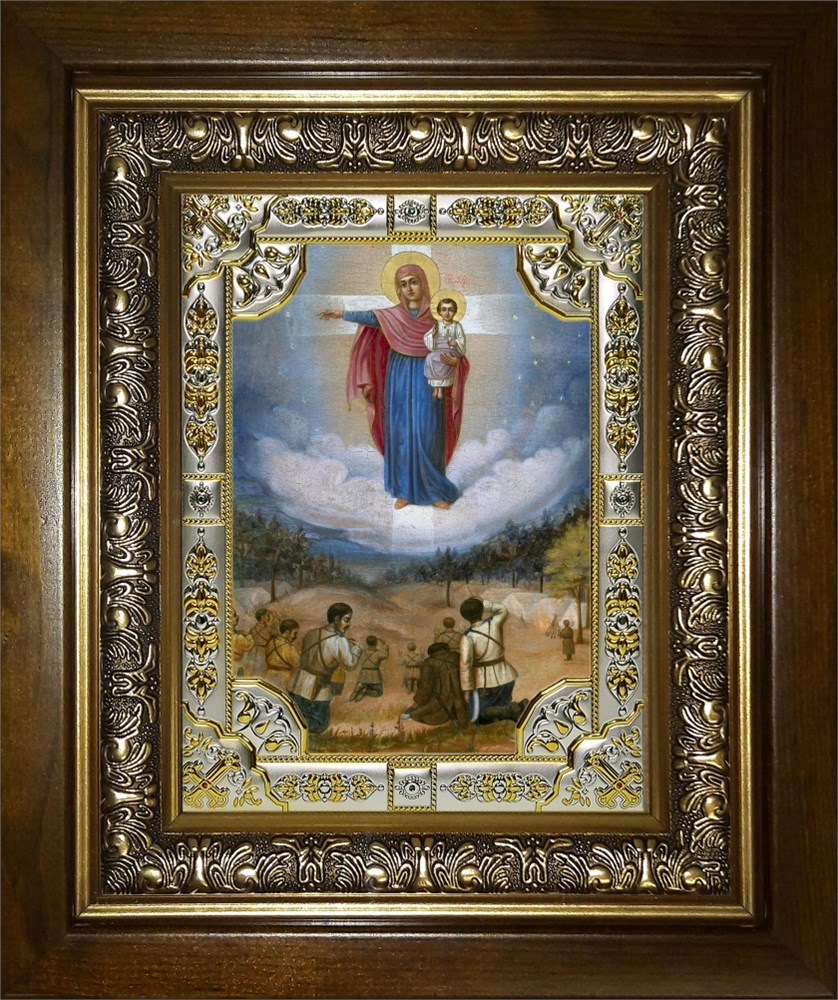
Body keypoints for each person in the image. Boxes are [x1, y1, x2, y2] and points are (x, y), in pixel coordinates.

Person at [321, 257, 470, 510]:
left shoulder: (437, 316)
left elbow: (455, 347)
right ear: (398, 289)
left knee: (428, 430)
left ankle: (435, 491)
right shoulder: (393, 316)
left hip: (428, 376)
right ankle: (404, 490)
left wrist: (454, 359)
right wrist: (341, 314)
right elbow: (371, 317)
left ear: (424, 284)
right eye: (403, 284)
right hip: (399, 374)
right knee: (400, 430)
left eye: (414, 282)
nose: (409, 288)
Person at [287, 603, 362, 734]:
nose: (349, 624)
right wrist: (356, 650)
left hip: (297, 685)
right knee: (319, 725)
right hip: (319, 690)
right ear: (336, 619)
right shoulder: (340, 641)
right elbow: (350, 665)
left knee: (295, 718)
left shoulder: (311, 633)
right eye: (346, 620)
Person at [459, 597, 527, 724]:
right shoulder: (494, 623)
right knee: (502, 706)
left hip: (485, 683)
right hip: (506, 676)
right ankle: (517, 707)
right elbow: (502, 609)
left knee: (479, 716)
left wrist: (467, 690)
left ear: (465, 617)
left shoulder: (467, 637)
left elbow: (465, 664)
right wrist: (482, 604)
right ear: (481, 610)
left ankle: (511, 709)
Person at [402, 641, 469, 729]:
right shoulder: (456, 656)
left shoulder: (428, 662)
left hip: (442, 698)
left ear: (431, 653)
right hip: (462, 694)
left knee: (418, 713)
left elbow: (425, 686)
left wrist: (417, 703)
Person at [424, 296, 466, 399]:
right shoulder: (437, 325)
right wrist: (433, 335)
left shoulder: (457, 326)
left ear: (455, 312)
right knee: (430, 358)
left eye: (450, 310)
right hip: (438, 350)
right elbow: (427, 337)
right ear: (439, 312)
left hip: (450, 350)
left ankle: (441, 389)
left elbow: (461, 339)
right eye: (444, 310)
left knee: (445, 360)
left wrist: (456, 342)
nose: (447, 313)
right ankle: (436, 388)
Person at [349, 635, 390, 701]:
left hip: (363, 676)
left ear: (367, 643)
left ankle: (360, 686)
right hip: (374, 676)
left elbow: (358, 647)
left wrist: (355, 643)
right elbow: (386, 654)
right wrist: (384, 644)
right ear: (376, 643)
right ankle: (366, 691)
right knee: (379, 692)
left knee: (364, 683)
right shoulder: (378, 653)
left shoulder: (362, 651)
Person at [231, 612, 255, 677]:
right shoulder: (239, 638)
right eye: (234, 616)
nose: (237, 617)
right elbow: (250, 644)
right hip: (236, 665)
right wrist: (249, 636)